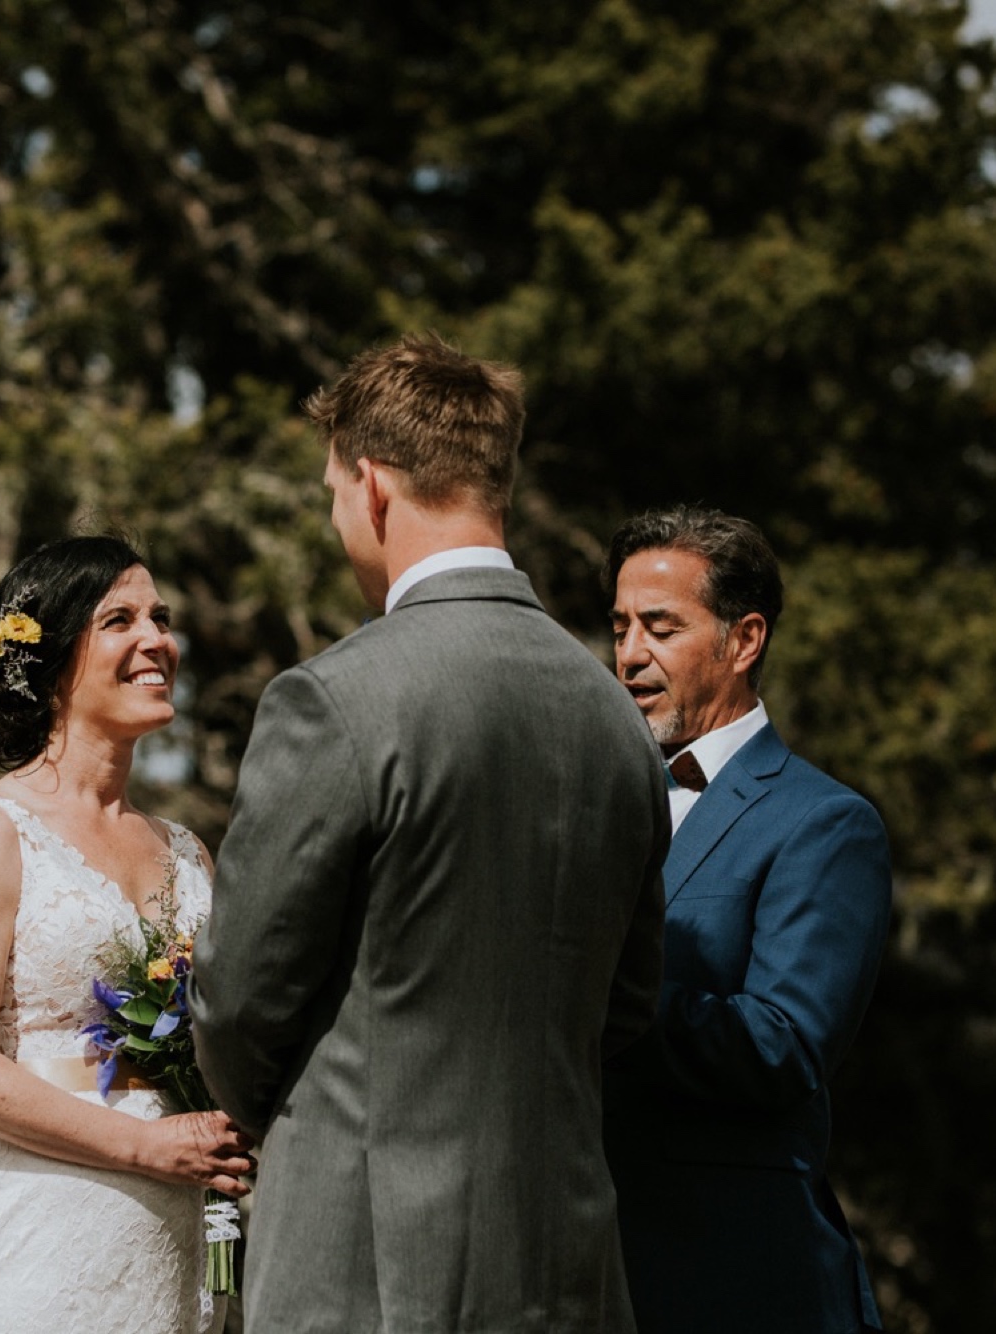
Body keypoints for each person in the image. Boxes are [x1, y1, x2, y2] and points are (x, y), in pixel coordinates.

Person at [190, 333, 668, 1332]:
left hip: (363, 1268)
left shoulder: (333, 699)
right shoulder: (613, 716)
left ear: (370, 485)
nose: (335, 518)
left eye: (331, 493)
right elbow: (624, 1005)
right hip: (566, 1264)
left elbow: (237, 999)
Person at [0, 534, 255, 1334]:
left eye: (161, 619)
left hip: (185, 1247)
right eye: (120, 620)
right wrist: (145, 1146)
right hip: (42, 1251)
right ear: (54, 660)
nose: (157, 641)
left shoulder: (186, 850)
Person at [601, 506, 892, 1334]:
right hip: (581, 1272)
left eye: (661, 627)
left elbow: (784, 1045)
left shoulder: (824, 823)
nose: (628, 654)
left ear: (744, 639)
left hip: (739, 1280)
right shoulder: (596, 807)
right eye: (620, 626)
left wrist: (589, 994)